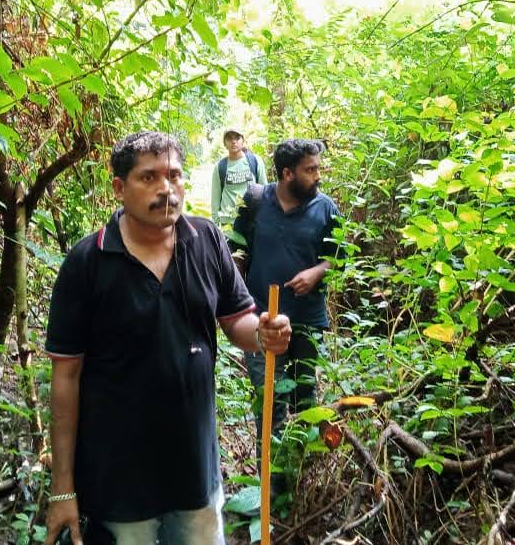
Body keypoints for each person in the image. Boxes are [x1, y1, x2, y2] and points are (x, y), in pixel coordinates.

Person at [43, 131, 292, 545]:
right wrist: (63, 487)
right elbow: (65, 377)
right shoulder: (88, 262)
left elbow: (237, 322)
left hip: (194, 471)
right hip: (119, 480)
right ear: (120, 188)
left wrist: (265, 334)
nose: (166, 189)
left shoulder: (206, 240)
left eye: (175, 176)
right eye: (149, 177)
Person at [232, 138, 339, 461]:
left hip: (306, 320)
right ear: (287, 173)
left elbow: (339, 256)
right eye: (311, 170)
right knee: (269, 404)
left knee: (305, 401)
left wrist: (317, 272)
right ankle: (272, 490)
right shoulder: (255, 202)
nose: (318, 175)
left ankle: (301, 476)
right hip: (262, 323)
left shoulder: (326, 209)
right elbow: (237, 251)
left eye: (318, 168)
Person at [210, 129, 266, 229]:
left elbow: (265, 192)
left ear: (243, 141)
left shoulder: (255, 161)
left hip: (252, 221)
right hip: (228, 225)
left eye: (237, 138)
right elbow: (215, 199)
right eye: (229, 138)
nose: (233, 141)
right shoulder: (220, 167)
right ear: (224, 143)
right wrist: (216, 227)